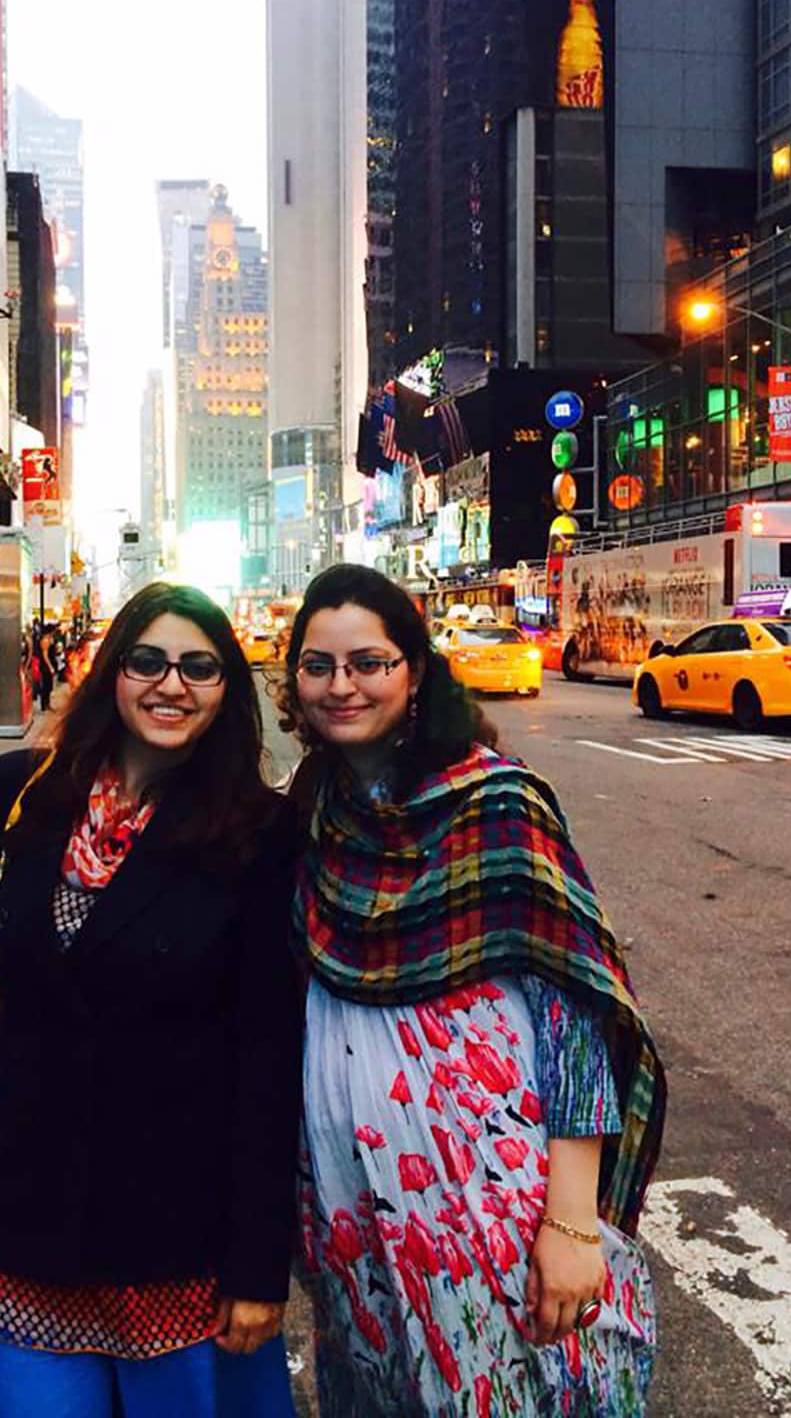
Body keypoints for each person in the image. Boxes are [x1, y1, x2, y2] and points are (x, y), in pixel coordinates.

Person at [0, 582, 303, 1418]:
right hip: (25, 1205)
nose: (170, 685)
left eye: (199, 667)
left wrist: (260, 1261)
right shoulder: (18, 790)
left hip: (176, 1231)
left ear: (227, 691)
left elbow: (267, 1047)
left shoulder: (257, 830)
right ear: (113, 671)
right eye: (148, 660)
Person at [279, 566, 666, 1417]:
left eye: (369, 662)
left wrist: (570, 1225)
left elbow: (575, 1018)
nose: (342, 686)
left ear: (415, 671)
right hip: (352, 1210)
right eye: (319, 666)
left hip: (491, 1191)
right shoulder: (312, 809)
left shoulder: (498, 801)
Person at [29, 626, 53, 713]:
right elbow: (45, 655)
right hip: (44, 666)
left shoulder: (48, 640)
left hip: (45, 665)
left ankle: (47, 704)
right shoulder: (45, 641)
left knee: (48, 685)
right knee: (46, 685)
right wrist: (50, 667)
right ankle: (44, 705)